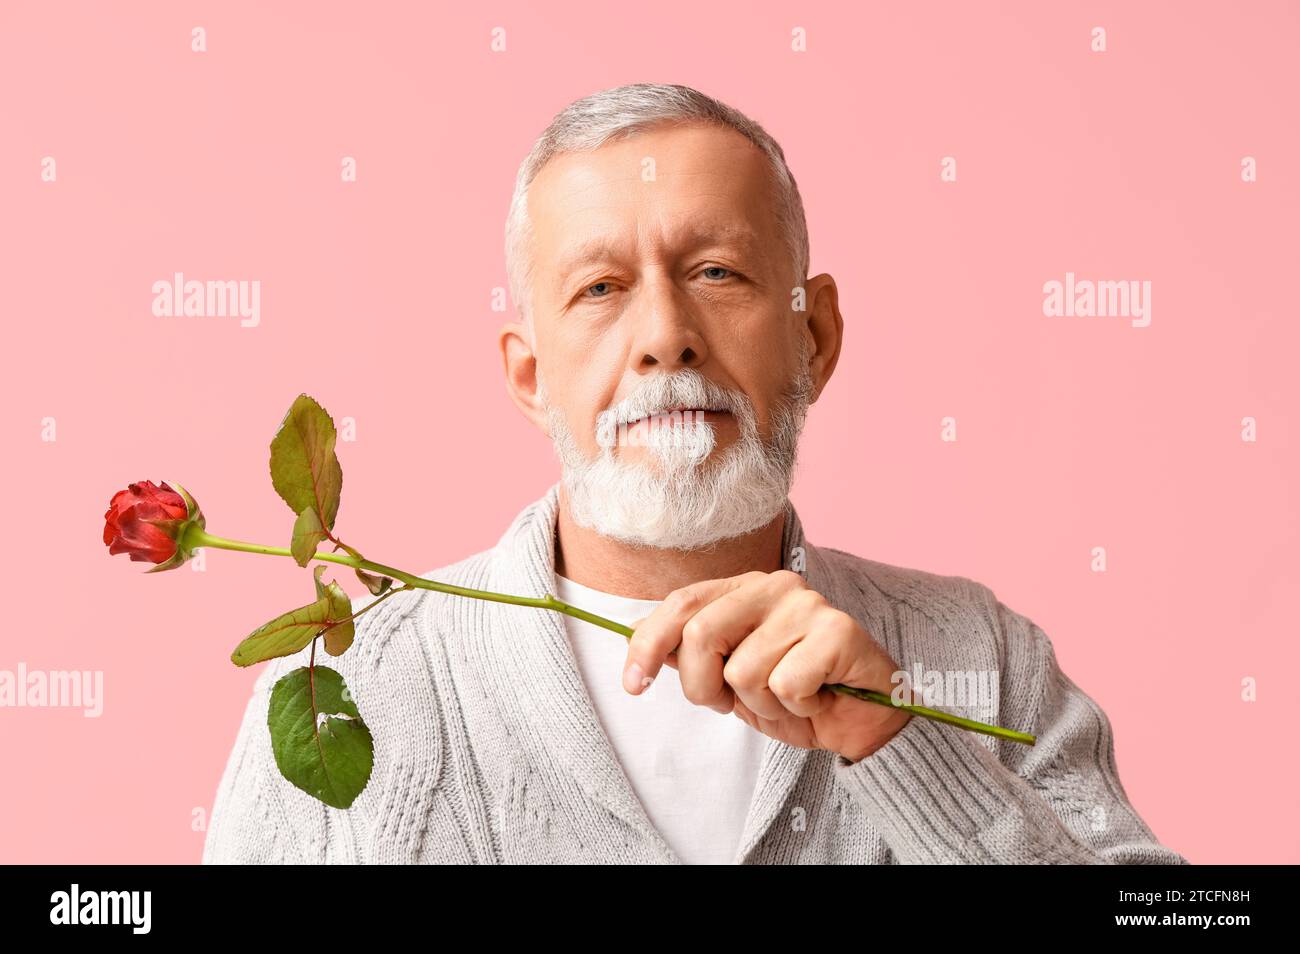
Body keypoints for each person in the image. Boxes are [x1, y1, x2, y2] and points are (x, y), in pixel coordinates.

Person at [203, 83, 1187, 865]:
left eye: (717, 273)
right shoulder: (349, 693)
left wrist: (901, 744)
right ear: (531, 376)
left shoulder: (981, 653)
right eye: (598, 289)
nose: (666, 337)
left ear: (814, 336)